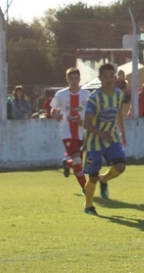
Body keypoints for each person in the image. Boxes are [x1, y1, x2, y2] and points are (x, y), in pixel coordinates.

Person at [81, 63, 127, 215]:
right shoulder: (94, 98)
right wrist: (101, 133)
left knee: (120, 166)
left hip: (112, 138)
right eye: (105, 77)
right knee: (92, 176)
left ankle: (104, 179)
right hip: (94, 141)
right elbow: (86, 123)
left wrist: (122, 133)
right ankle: (88, 205)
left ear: (114, 78)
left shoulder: (118, 94)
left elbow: (118, 112)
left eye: (111, 77)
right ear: (100, 78)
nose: (108, 80)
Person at [50, 68, 91, 190]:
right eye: (71, 78)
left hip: (82, 133)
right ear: (67, 79)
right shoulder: (60, 94)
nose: (74, 81)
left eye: (76, 78)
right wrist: (56, 116)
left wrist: (85, 122)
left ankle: (67, 164)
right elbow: (53, 110)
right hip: (66, 132)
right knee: (77, 160)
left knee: (77, 162)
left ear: (79, 79)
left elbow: (91, 114)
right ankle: (86, 188)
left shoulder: (87, 94)